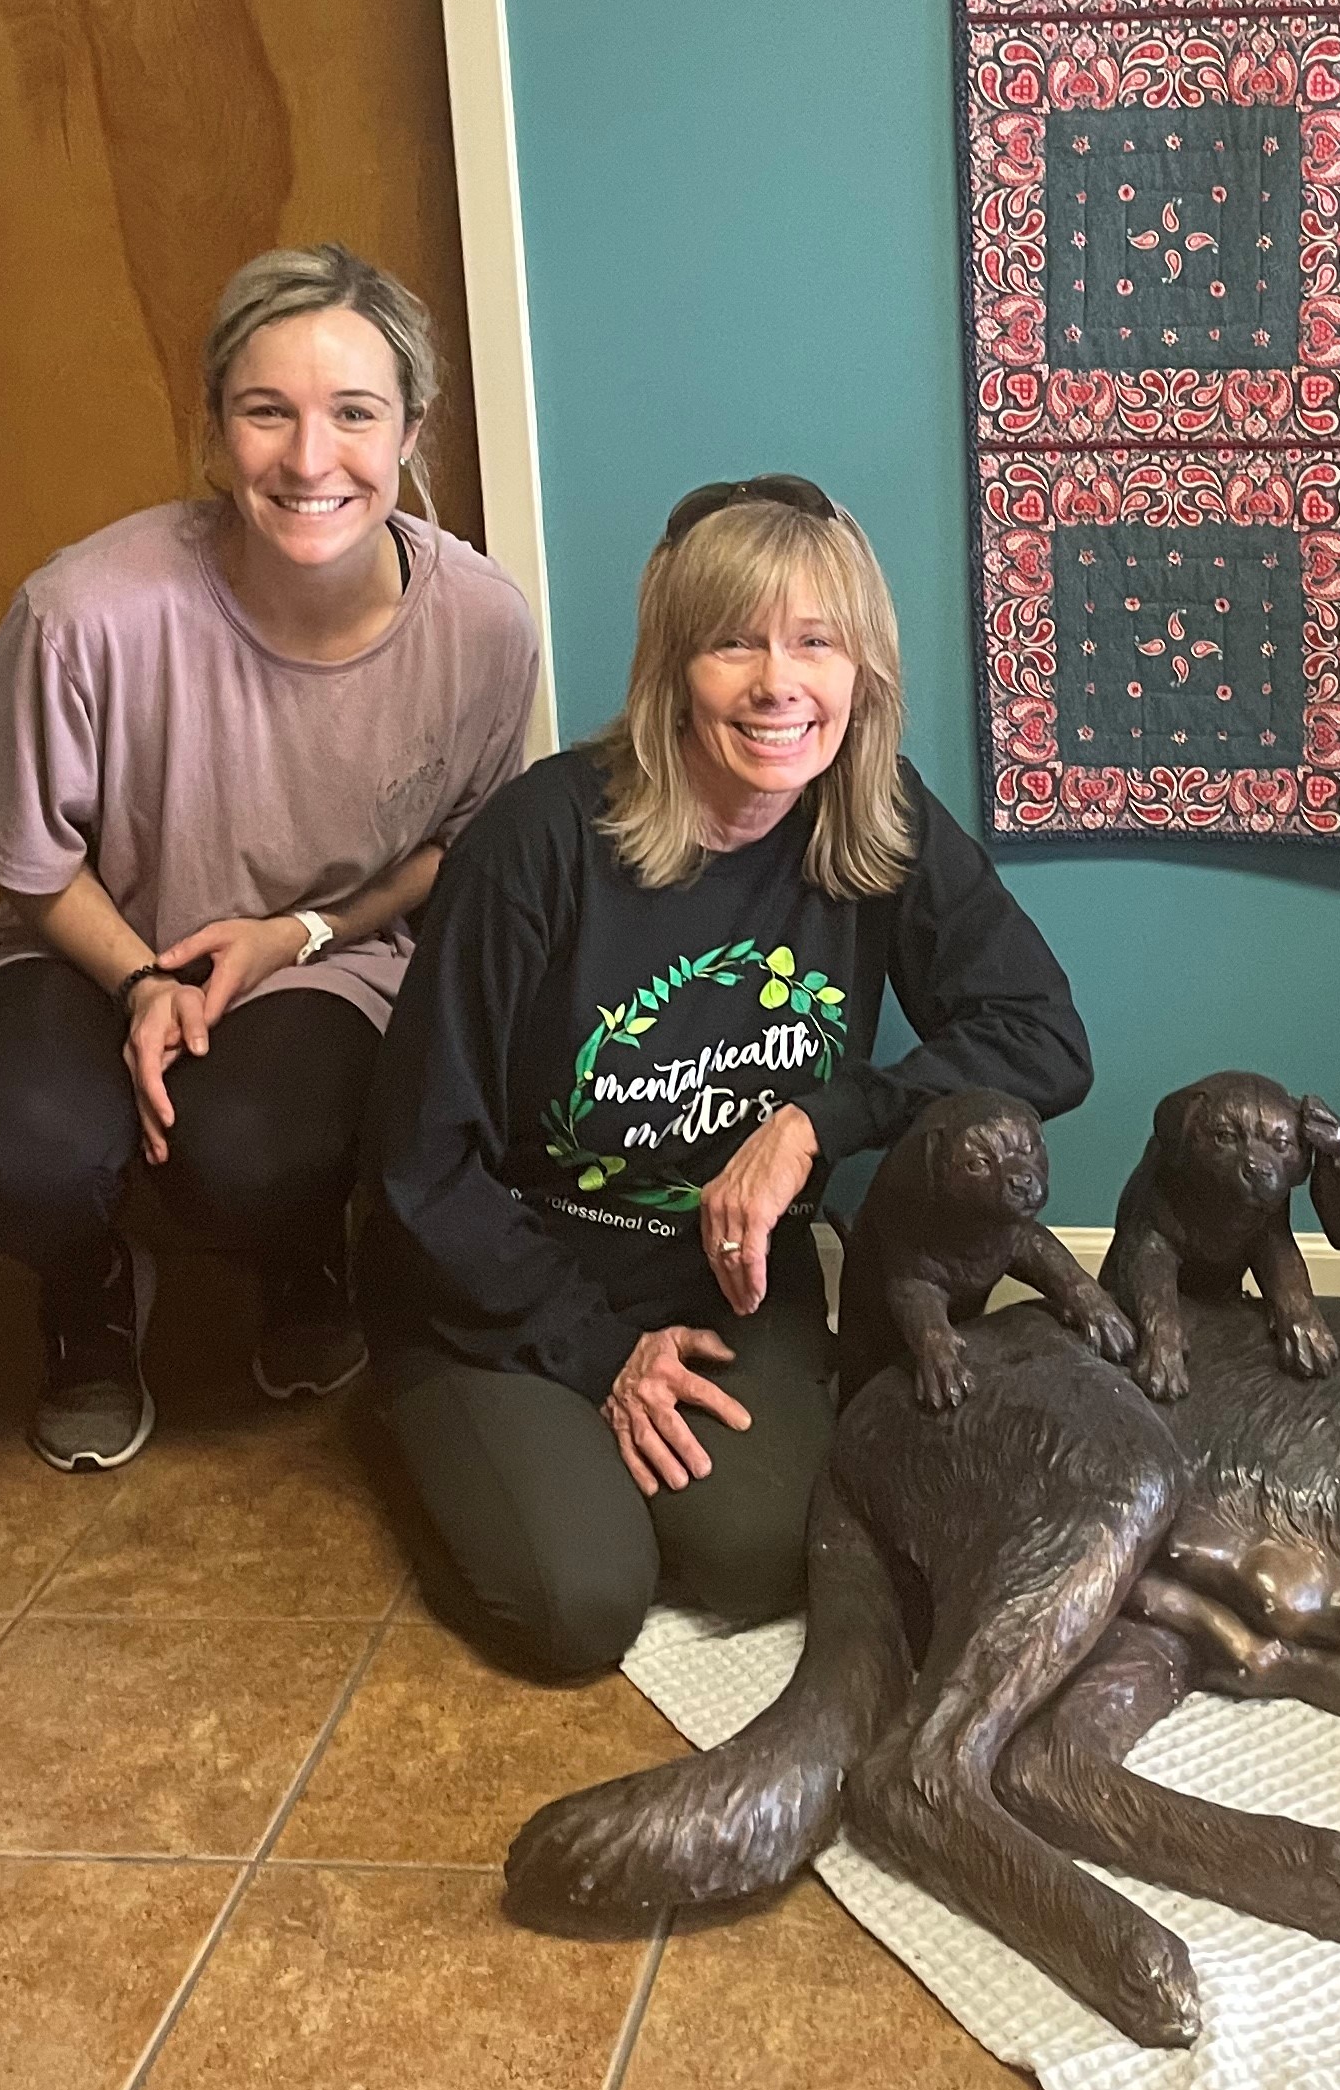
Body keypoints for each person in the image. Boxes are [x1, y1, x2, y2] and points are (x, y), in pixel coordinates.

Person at [364, 477, 1090, 1676]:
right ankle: (427, 1418)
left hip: (724, 1284)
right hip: (503, 1278)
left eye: (817, 642)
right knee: (576, 1609)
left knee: (755, 1554)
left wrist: (817, 1119)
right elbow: (420, 1165)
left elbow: (1042, 1035)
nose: (778, 684)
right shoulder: (538, 844)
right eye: (732, 644)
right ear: (671, 669)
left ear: (862, 670)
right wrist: (599, 1356)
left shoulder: (877, 819)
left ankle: (575, 1452)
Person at [0, 247, 538, 1472]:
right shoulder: (81, 613)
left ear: (413, 430)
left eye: (355, 414)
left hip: (323, 958)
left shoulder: (482, 622)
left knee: (252, 1152)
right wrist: (143, 982)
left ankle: (297, 1244)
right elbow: (34, 864)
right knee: (8, 1144)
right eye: (268, 413)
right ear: (213, 430)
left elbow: (457, 849)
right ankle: (86, 1282)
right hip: (86, 943)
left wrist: (296, 937)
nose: (312, 461)